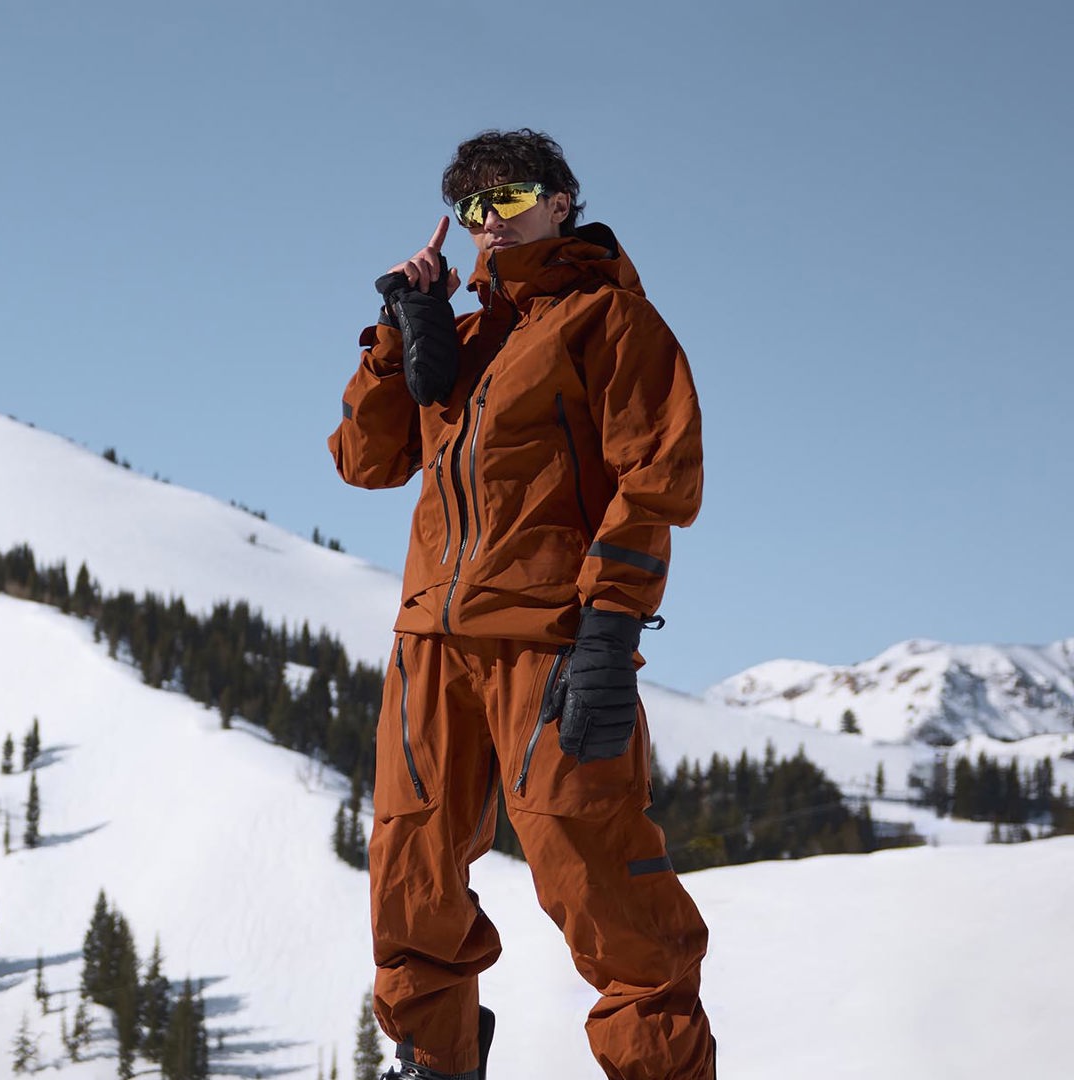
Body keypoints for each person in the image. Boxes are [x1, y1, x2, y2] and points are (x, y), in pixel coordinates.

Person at [329, 129, 715, 1080]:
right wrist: (398, 334)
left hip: (549, 643)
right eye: (469, 209)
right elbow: (365, 461)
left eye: (506, 201)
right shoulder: (459, 341)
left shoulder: (609, 319)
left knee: (602, 884)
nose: (486, 226)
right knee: (411, 881)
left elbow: (658, 479)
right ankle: (435, 1063)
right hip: (430, 646)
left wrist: (610, 627)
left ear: (562, 202)